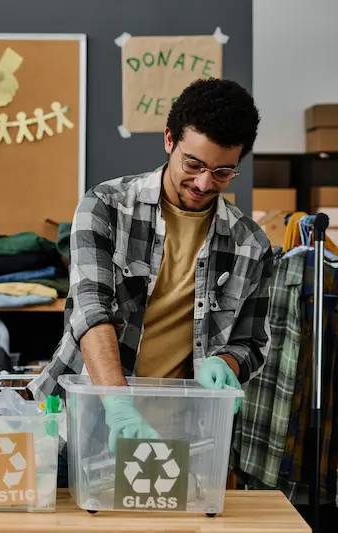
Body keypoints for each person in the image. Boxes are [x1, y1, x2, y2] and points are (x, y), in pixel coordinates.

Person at [29, 78, 273, 451]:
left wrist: (225, 364)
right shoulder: (107, 206)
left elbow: (251, 343)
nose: (205, 182)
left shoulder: (250, 244)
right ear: (169, 140)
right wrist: (118, 404)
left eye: (223, 171)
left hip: (181, 435)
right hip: (86, 419)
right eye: (194, 163)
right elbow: (90, 308)